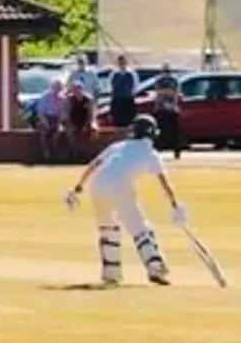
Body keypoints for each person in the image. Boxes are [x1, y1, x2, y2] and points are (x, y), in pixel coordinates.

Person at [65, 114, 186, 287]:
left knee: (108, 229)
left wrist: (77, 188)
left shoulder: (118, 146)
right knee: (140, 229)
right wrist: (175, 205)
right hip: (119, 187)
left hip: (97, 187)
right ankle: (155, 267)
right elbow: (164, 183)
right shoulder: (150, 153)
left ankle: (111, 273)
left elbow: (93, 165)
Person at [150, 65, 183, 159]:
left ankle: (177, 151)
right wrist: (167, 92)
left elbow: (176, 92)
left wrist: (167, 93)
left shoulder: (174, 80)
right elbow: (157, 91)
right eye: (164, 71)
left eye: (168, 71)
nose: (166, 73)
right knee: (159, 131)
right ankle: (157, 149)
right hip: (160, 109)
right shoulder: (158, 80)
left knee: (175, 132)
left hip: (172, 109)